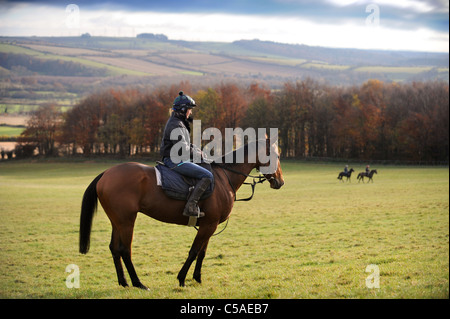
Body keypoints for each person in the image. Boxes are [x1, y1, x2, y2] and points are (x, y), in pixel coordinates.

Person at [160, 91, 214, 218]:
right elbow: (182, 149)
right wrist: (197, 153)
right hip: (174, 161)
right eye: (189, 109)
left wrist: (198, 151)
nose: (190, 112)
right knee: (207, 175)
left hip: (179, 158)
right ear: (183, 110)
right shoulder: (175, 125)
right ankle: (190, 207)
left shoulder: (179, 122)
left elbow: (186, 145)